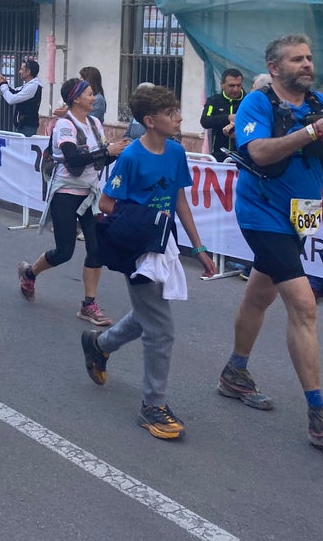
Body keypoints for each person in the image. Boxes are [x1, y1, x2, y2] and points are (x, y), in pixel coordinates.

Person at [217, 34, 323, 454]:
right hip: (261, 211)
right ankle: (320, 417)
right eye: (297, 59)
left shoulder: (322, 102)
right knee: (303, 304)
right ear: (274, 67)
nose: (307, 64)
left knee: (259, 294)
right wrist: (313, 131)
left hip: (302, 211)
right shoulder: (258, 103)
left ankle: (235, 372)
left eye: (309, 58)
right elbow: (260, 152)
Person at [81, 86, 216, 438]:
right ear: (150, 121)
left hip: (164, 244)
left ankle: (99, 344)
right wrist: (141, 220)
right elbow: (107, 203)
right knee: (161, 328)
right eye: (172, 113)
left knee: (148, 317)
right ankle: (152, 405)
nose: (179, 118)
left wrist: (198, 248)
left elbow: (180, 201)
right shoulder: (131, 157)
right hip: (138, 249)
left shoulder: (175, 152)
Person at [17, 77, 125, 327]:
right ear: (75, 98)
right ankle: (30, 273)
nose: (93, 96)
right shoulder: (65, 125)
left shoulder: (96, 123)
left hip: (90, 194)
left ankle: (89, 304)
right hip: (66, 193)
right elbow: (73, 159)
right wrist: (107, 151)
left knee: (96, 248)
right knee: (64, 251)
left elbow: (98, 160)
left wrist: (117, 152)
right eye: (88, 93)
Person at [200, 68, 245, 161]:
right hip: (218, 155)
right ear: (222, 85)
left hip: (242, 154)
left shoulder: (247, 101)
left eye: (238, 85)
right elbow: (205, 121)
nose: (236, 89)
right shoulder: (214, 101)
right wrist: (227, 117)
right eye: (231, 86)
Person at [0, 59, 43, 137]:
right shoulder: (29, 84)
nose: (19, 72)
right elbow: (15, 91)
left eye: (21, 69)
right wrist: (4, 82)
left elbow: (11, 99)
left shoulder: (33, 86)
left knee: (24, 148)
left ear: (28, 72)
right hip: (23, 125)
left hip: (28, 127)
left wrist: (2, 84)